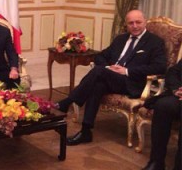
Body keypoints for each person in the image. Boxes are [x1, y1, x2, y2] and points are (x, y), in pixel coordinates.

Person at [57, 10, 167, 146]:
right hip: (112, 77)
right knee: (97, 84)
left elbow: (159, 67)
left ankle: (67, 102)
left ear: (145, 22)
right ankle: (86, 131)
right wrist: (109, 68)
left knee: (98, 72)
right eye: (131, 23)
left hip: (133, 82)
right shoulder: (121, 39)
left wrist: (127, 71)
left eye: (138, 22)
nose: (135, 26)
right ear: (126, 24)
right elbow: (100, 56)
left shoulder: (155, 42)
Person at [141, 60, 182, 170]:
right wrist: (177, 89)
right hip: (179, 95)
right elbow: (173, 72)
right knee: (163, 106)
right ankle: (156, 162)